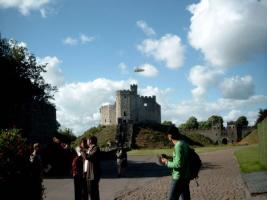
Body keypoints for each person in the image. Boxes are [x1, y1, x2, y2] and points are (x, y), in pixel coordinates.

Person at [160, 126, 191, 200]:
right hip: (186, 176)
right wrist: (169, 157)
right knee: (185, 198)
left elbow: (178, 164)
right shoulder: (184, 143)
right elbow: (182, 159)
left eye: (168, 134)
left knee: (172, 198)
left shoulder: (178, 146)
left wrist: (166, 162)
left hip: (179, 177)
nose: (167, 136)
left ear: (170, 135)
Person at [82, 136, 101, 200]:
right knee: (90, 191)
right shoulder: (89, 149)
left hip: (93, 174)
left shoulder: (96, 148)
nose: (86, 141)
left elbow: (89, 157)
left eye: (87, 140)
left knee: (93, 191)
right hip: (88, 173)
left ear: (90, 141)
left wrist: (83, 152)